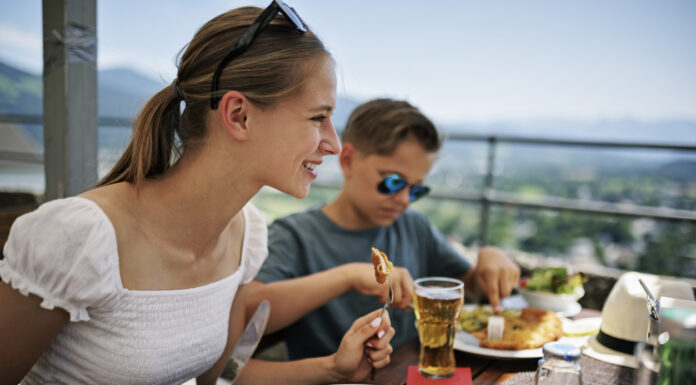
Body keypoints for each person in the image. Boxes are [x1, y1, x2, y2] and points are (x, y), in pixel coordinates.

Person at [0, 3, 394, 384]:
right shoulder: (79, 238)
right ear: (238, 115)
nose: (334, 144)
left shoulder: (245, 236)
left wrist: (334, 370)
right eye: (318, 118)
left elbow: (221, 376)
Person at [248, 98, 520, 360]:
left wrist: (491, 257)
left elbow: (470, 287)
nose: (403, 199)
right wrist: (348, 276)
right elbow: (249, 312)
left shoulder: (413, 226)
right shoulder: (295, 235)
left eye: (416, 190)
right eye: (392, 182)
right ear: (348, 160)